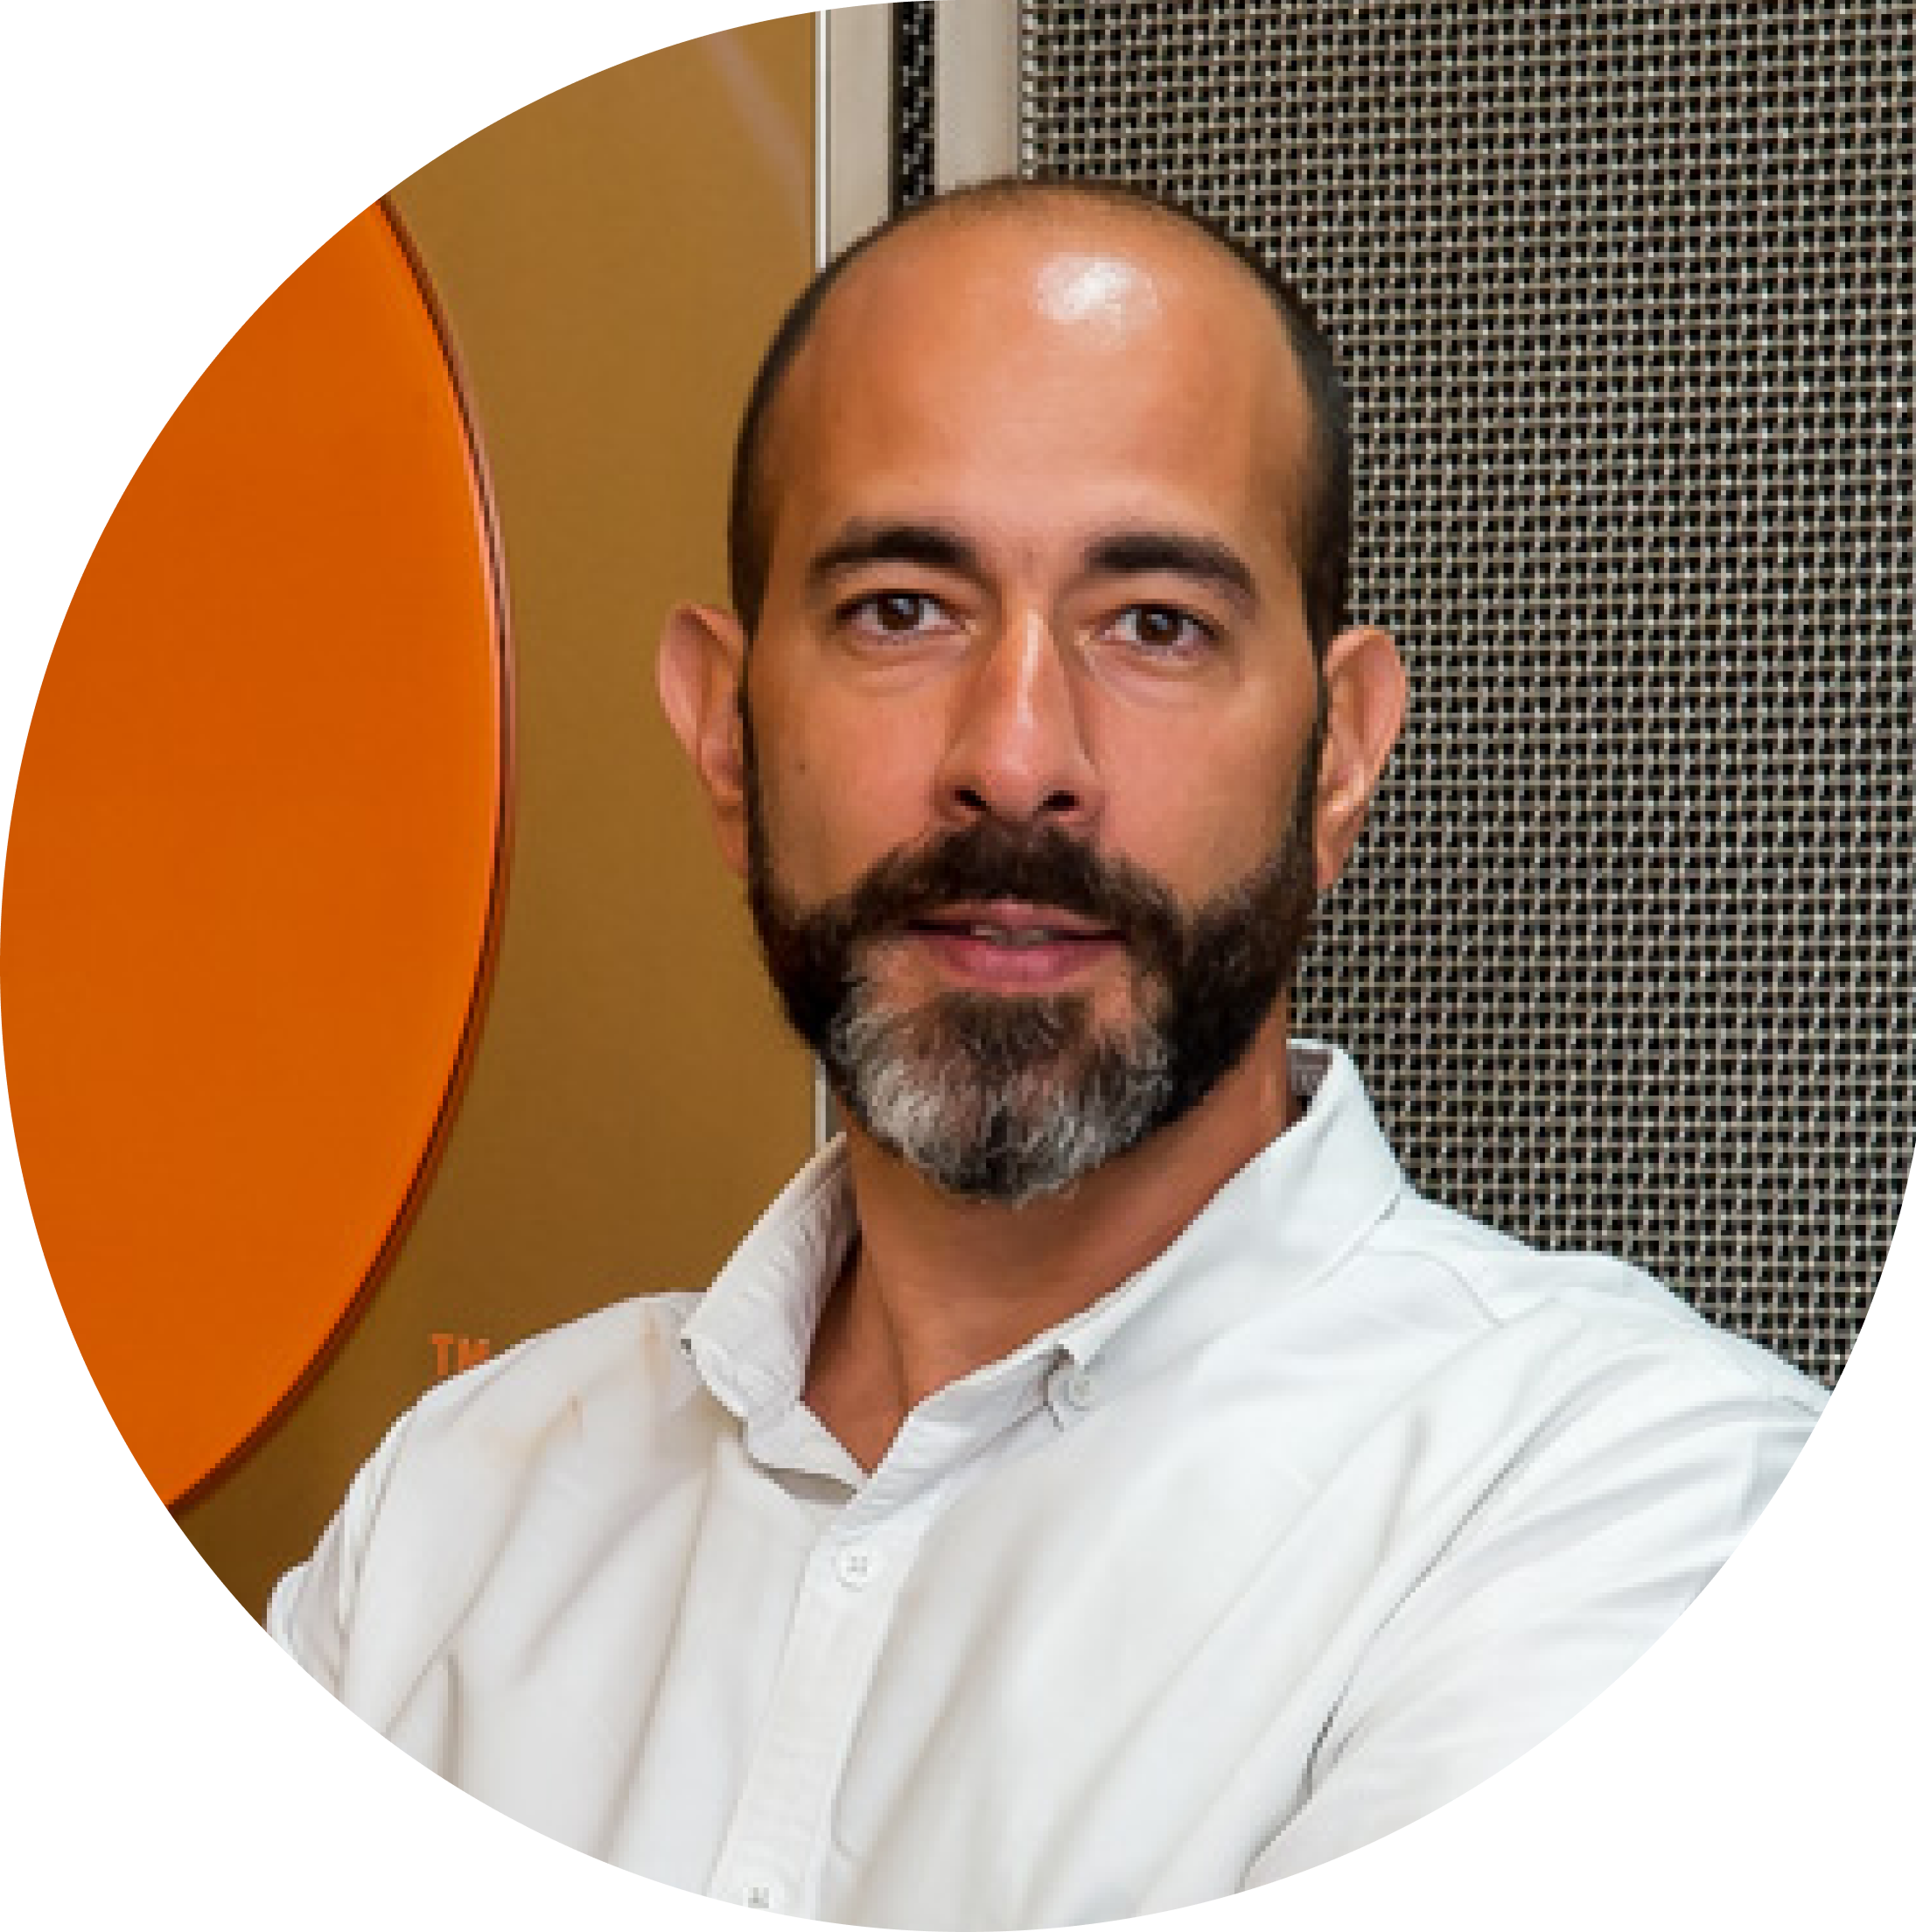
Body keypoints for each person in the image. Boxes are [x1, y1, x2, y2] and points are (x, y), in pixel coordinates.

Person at [267, 176, 1826, 1922]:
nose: (1015, 761)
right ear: (724, 733)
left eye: (1155, 623)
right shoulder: (452, 1514)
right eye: (900, 609)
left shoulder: (1632, 1500)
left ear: (1338, 756)